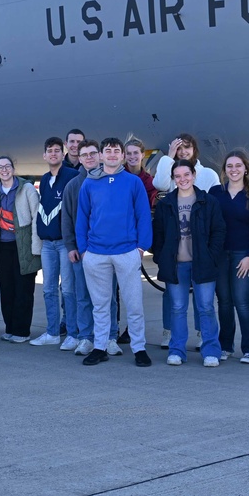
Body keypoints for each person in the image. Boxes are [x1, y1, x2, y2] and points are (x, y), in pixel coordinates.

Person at [76, 138, 153, 367]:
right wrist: (84, 251)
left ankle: (139, 347)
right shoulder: (89, 184)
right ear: (101, 155)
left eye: (115, 151)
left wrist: (141, 247)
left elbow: (143, 216)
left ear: (122, 156)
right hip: (96, 253)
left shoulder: (133, 182)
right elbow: (82, 218)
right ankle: (100, 346)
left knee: (134, 303)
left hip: (126, 251)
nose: (111, 154)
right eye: (107, 151)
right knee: (100, 304)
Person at [152, 159, 226, 366]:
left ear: (194, 175)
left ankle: (211, 350)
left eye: (186, 175)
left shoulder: (208, 201)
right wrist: (161, 257)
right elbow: (158, 233)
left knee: (206, 307)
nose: (182, 179)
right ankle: (177, 350)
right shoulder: (166, 204)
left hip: (203, 263)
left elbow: (218, 231)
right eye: (178, 176)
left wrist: (211, 255)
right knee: (177, 307)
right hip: (176, 265)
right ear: (173, 179)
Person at [209, 149, 249, 363]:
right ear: (224, 170)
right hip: (221, 255)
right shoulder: (216, 193)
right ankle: (225, 346)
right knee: (223, 302)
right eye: (230, 166)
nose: (234, 170)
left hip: (243, 254)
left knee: (242, 302)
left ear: (246, 169)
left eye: (238, 166)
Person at [0, 156, 41, 343]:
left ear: (13, 168)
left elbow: (36, 218)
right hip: (3, 248)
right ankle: (10, 328)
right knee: (7, 289)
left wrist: (35, 247)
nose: (4, 170)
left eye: (7, 166)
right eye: (0, 167)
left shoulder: (26, 189)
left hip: (23, 247)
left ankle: (22, 331)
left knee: (24, 290)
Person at [31, 137, 79, 346]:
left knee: (68, 289)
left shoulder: (72, 176)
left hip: (65, 244)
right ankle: (52, 332)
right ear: (44, 155)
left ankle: (73, 333)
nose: (53, 154)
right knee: (48, 289)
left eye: (57, 150)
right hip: (48, 245)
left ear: (63, 153)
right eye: (49, 150)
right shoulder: (43, 179)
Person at [61, 139, 100, 356]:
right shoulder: (73, 186)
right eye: (84, 155)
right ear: (79, 158)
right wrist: (70, 246)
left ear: (100, 155)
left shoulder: (109, 181)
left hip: (105, 250)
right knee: (83, 296)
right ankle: (86, 337)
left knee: (107, 298)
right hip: (81, 252)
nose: (89, 158)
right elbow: (66, 219)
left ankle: (109, 336)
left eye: (92, 154)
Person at [124, 138, 158, 208]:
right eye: (129, 153)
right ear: (125, 156)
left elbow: (147, 206)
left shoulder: (149, 181)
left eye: (136, 153)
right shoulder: (117, 175)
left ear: (142, 155)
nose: (132, 156)